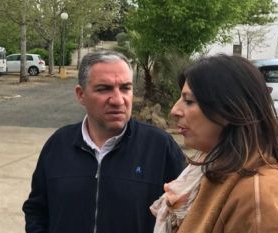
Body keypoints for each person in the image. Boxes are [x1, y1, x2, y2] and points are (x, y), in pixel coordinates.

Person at [22, 50, 185, 233]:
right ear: (81, 94)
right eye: (104, 89)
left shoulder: (160, 148)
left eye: (125, 88)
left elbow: (185, 216)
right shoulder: (58, 145)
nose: (117, 100)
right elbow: (37, 210)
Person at [151, 54, 278, 233]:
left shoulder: (258, 197)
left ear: (229, 109)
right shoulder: (208, 171)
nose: (175, 110)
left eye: (189, 101)